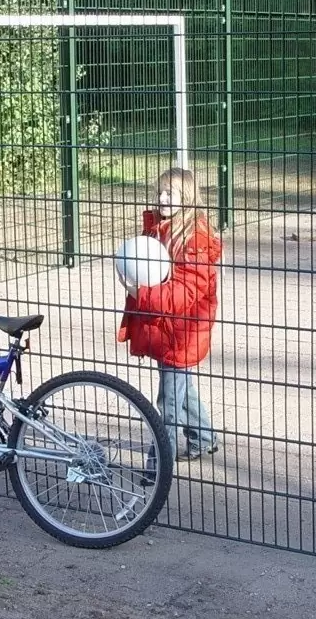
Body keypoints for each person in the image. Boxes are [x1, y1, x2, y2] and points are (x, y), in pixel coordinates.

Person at [117, 167, 223, 462]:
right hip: (167, 327)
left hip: (183, 332)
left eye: (170, 193)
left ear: (186, 197)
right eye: (159, 192)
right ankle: (204, 437)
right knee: (180, 387)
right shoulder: (160, 229)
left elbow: (183, 294)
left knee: (169, 401)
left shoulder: (194, 240)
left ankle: (159, 463)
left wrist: (139, 292)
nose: (162, 198)